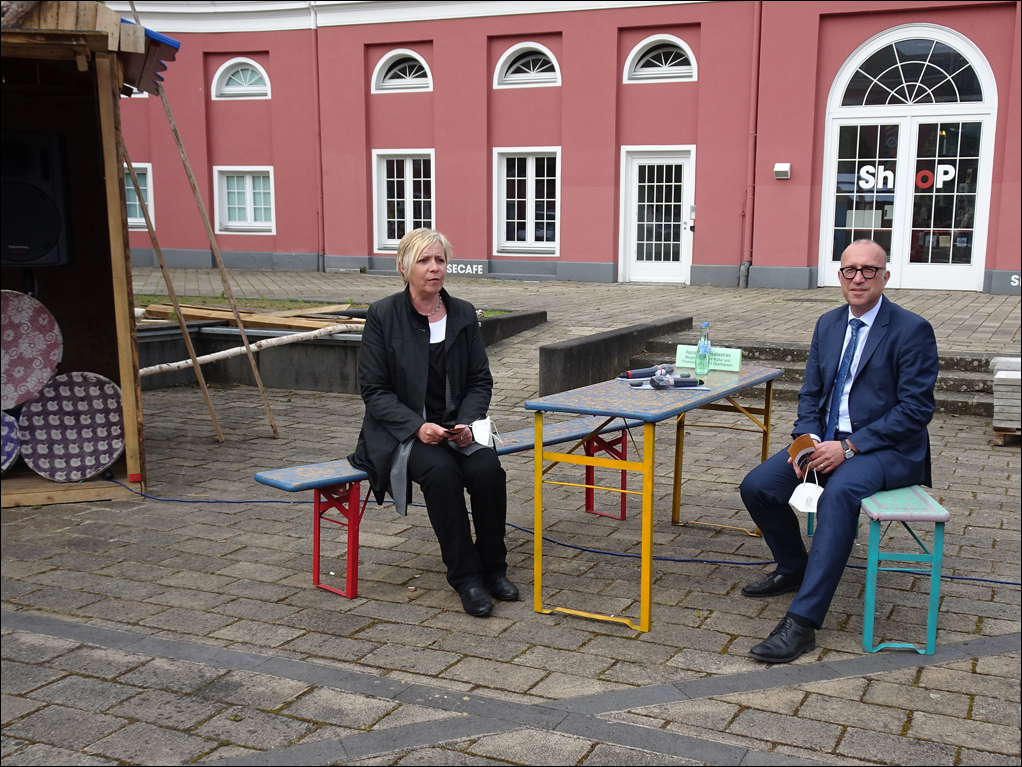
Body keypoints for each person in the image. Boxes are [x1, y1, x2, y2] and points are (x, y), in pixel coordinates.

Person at [738, 239, 939, 663]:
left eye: (869, 270)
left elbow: (916, 410)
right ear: (840, 276)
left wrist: (848, 448)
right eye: (850, 270)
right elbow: (810, 395)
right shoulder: (828, 324)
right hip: (827, 441)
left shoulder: (911, 329)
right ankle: (794, 567)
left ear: (885, 276)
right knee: (757, 486)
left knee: (840, 494)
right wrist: (807, 440)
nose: (859, 278)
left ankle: (803, 623)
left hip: (886, 449)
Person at [349, 228, 517, 618]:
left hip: (455, 429)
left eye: (440, 259)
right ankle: (466, 578)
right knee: (441, 475)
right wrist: (416, 426)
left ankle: (494, 569)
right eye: (424, 260)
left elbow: (479, 380)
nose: (434, 268)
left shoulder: (461, 313)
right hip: (404, 433)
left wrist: (466, 423)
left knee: (488, 470)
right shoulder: (383, 315)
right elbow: (373, 390)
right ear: (404, 267)